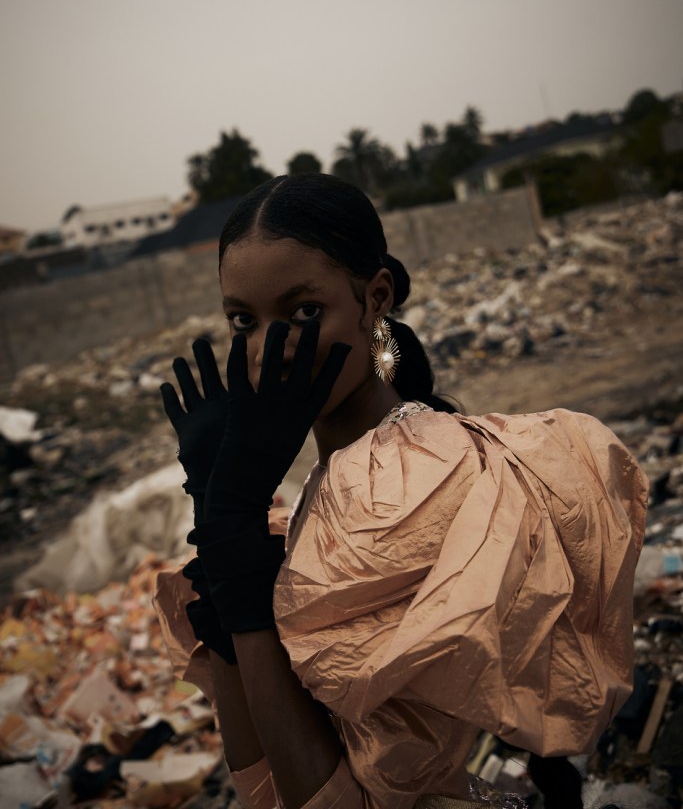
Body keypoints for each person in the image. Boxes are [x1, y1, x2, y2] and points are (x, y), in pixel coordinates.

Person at [154, 173, 648, 809]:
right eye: (244, 321)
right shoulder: (332, 486)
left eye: (304, 313)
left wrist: (233, 528)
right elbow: (264, 784)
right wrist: (220, 519)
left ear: (374, 299)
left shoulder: (414, 485)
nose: (269, 349)